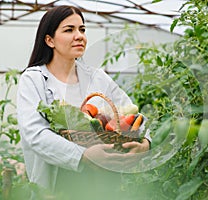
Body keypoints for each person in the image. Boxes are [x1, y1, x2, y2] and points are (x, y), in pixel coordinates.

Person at [16, 5, 150, 199]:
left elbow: (132, 115)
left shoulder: (97, 77)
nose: (79, 35)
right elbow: (34, 134)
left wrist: (145, 143)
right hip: (57, 184)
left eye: (82, 29)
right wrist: (83, 155)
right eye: (69, 30)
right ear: (49, 40)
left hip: (102, 181)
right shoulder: (34, 79)